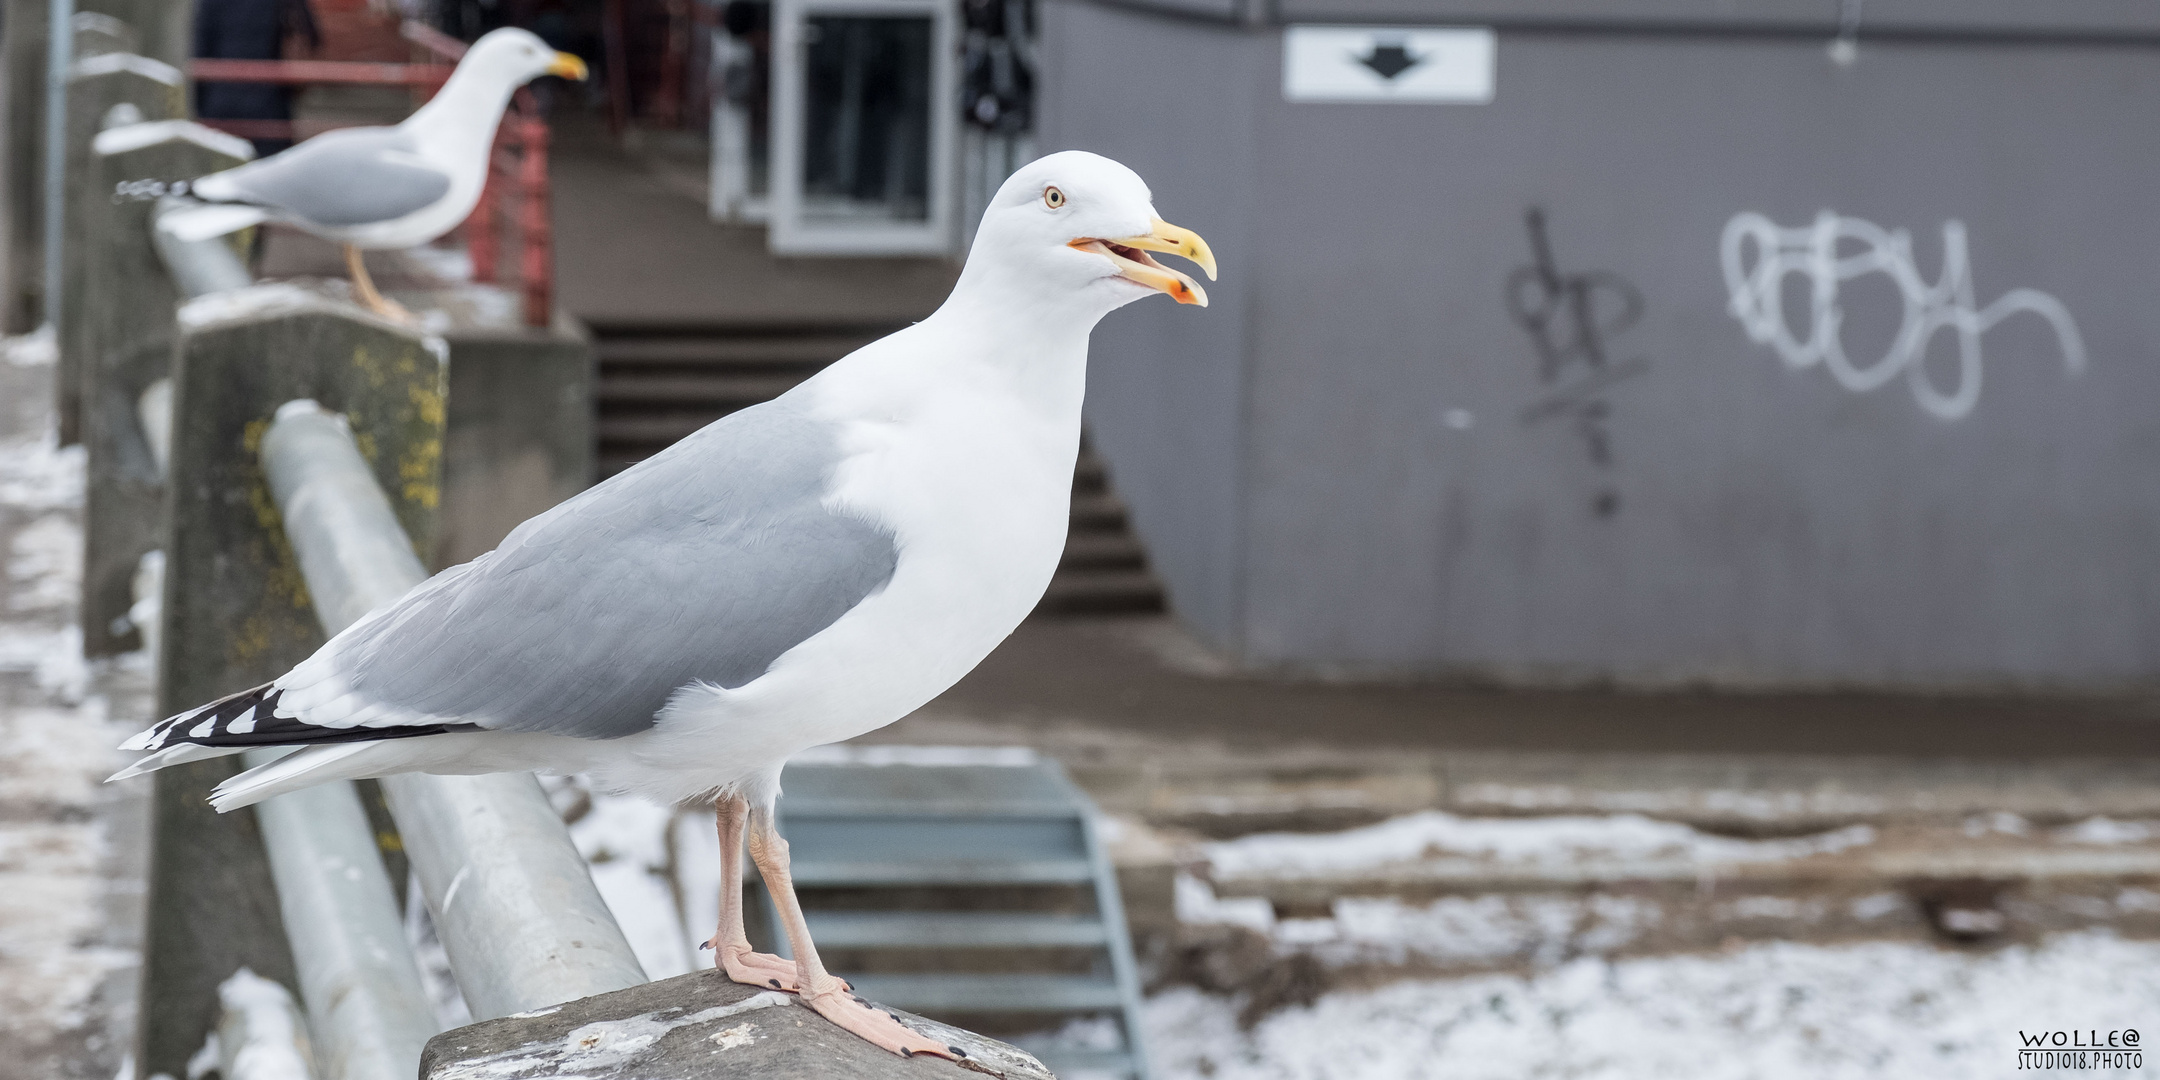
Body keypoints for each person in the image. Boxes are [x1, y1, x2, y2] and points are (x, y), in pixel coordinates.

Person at [194, 0, 322, 157]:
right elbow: (310, 38)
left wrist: (201, 107)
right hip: (270, 108)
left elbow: (200, 51)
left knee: (220, 174)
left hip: (220, 105)